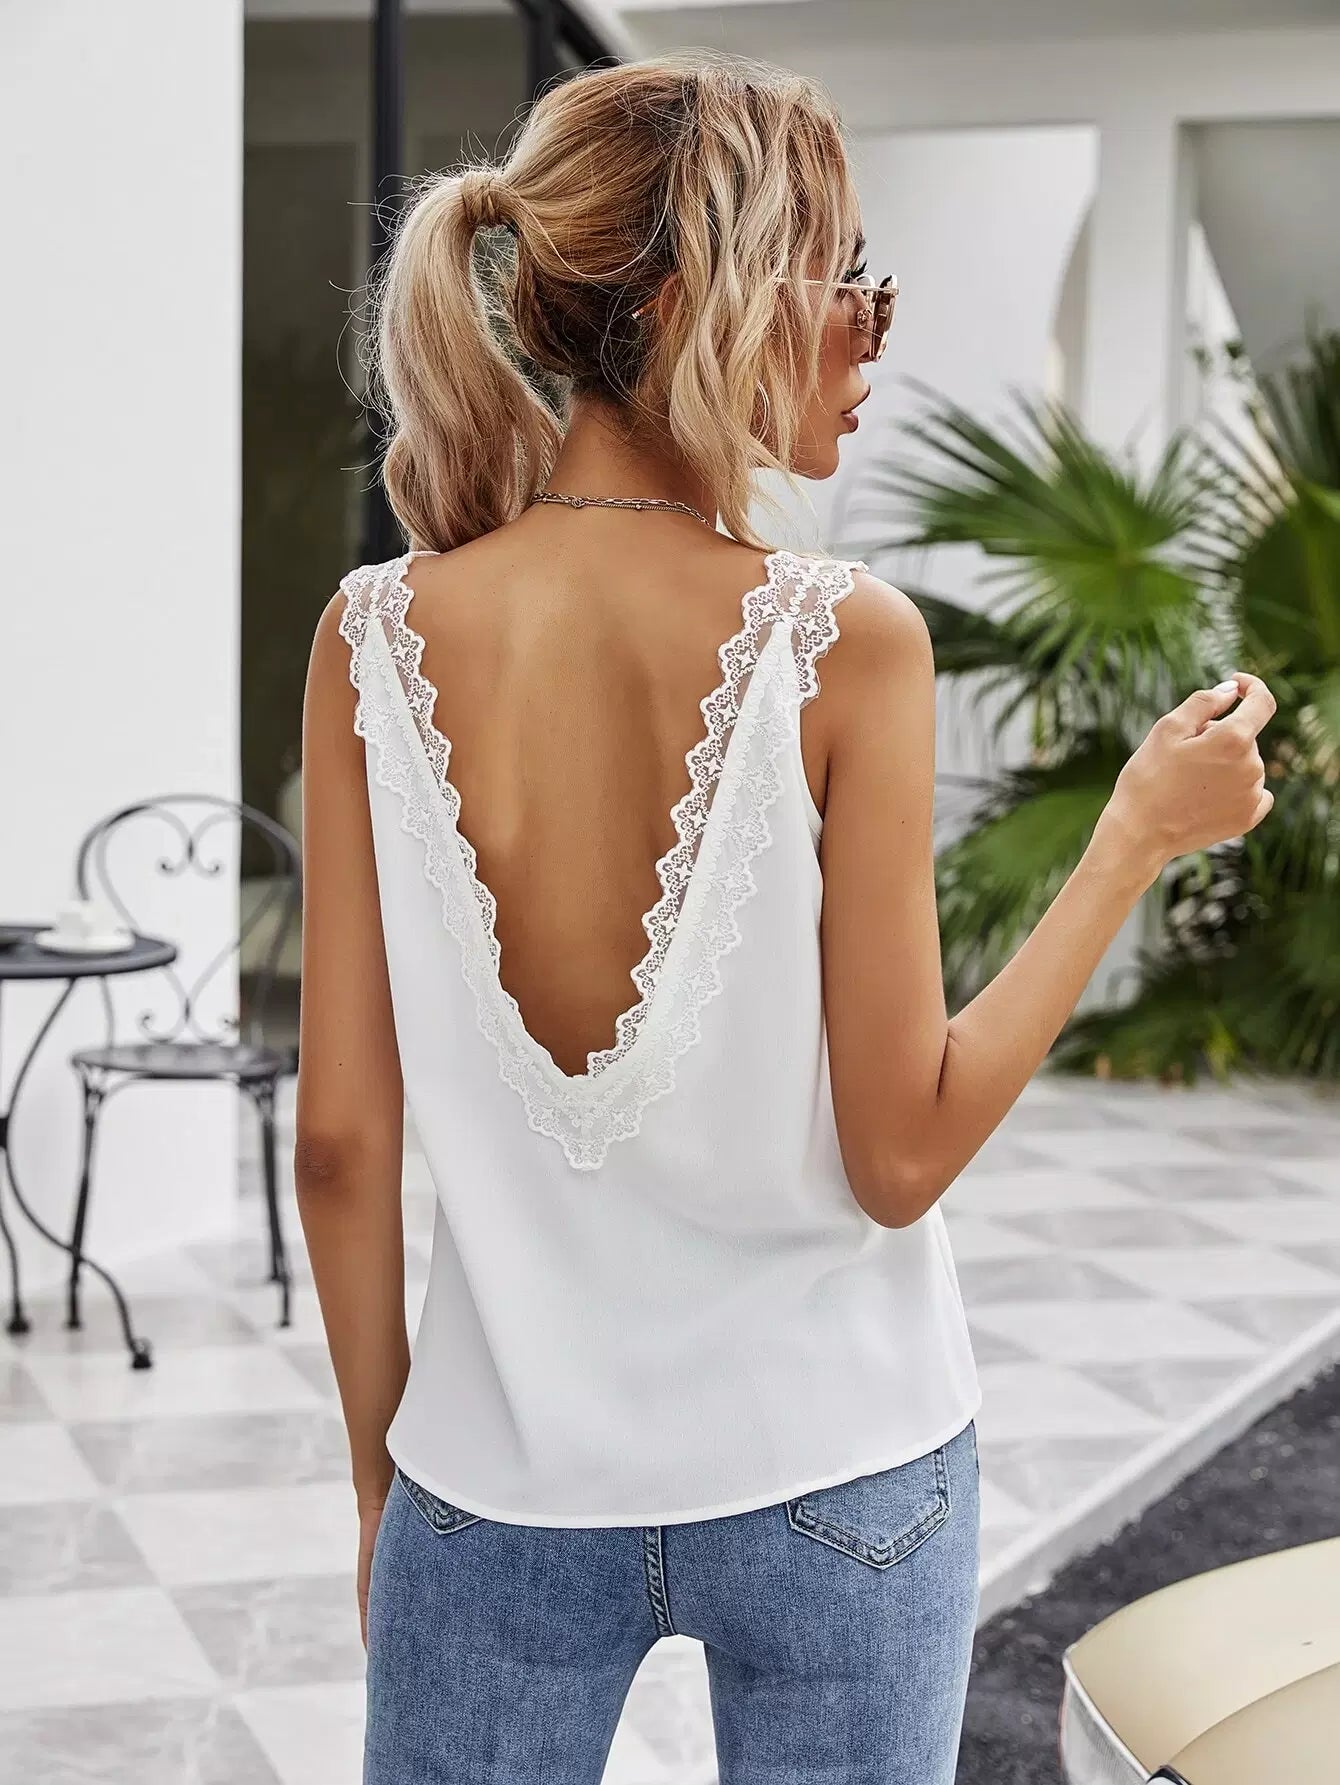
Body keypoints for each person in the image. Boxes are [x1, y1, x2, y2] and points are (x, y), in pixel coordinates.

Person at [294, 49, 1276, 1785]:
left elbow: (339, 1148)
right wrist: (1130, 838)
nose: (874, 327)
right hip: (846, 1473)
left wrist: (389, 1485)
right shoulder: (845, 641)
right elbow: (901, 1153)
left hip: (496, 1485)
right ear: (708, 300)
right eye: (850, 279)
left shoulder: (368, 636)